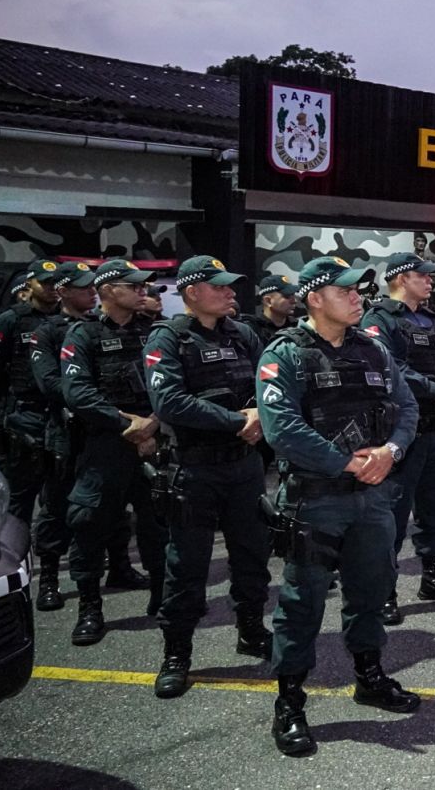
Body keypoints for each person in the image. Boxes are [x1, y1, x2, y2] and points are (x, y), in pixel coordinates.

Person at [259, 255, 421, 757]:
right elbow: (280, 428)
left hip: (372, 499)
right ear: (314, 298)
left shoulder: (372, 350)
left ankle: (370, 676)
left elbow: (408, 407)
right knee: (301, 603)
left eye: (359, 291)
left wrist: (390, 452)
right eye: (346, 290)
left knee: (371, 591)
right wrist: (349, 463)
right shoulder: (284, 354)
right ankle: (290, 703)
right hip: (315, 499)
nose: (357, 298)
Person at [142, 256, 272, 699]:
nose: (231, 292)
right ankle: (177, 654)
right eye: (219, 286)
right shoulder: (168, 337)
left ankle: (251, 630)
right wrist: (237, 420)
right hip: (194, 468)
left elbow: (265, 383)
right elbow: (169, 402)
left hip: (243, 466)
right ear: (192, 292)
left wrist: (258, 415)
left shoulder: (244, 334)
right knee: (188, 564)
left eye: (231, 285)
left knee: (253, 554)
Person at [360, 253, 435, 626]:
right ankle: (384, 591)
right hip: (399, 433)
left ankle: (433, 577)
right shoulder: (379, 319)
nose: (430, 281)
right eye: (423, 277)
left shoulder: (433, 319)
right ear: (401, 279)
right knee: (392, 515)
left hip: (433, 432)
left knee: (431, 509)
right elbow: (388, 367)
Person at [61, 259, 169, 645]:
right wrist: (130, 426)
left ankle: (163, 596)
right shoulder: (84, 335)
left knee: (160, 523)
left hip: (155, 443)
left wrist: (152, 423)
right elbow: (77, 393)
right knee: (89, 522)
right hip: (106, 445)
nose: (143, 291)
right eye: (133, 285)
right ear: (107, 290)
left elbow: (172, 384)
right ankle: (90, 606)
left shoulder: (156, 333)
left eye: (144, 286)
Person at [0, 259, 62, 570]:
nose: (51, 287)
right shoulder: (10, 320)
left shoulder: (68, 320)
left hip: (60, 419)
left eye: (56, 282)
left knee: (58, 500)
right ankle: (12, 568)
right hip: (22, 421)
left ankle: (49, 570)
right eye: (45, 281)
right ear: (29, 284)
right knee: (19, 502)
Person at [240, 274, 300, 346]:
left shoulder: (299, 326)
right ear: (268, 301)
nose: (294, 301)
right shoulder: (251, 331)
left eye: (293, 295)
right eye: (287, 296)